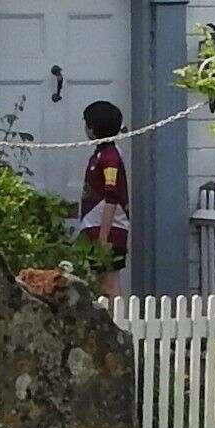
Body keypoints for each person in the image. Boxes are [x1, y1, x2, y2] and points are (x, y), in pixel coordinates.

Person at [74, 99, 132, 293]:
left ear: (92, 128)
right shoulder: (100, 154)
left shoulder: (110, 157)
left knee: (109, 281)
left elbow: (111, 198)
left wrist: (103, 238)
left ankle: (114, 312)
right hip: (94, 226)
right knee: (97, 281)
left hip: (108, 229)